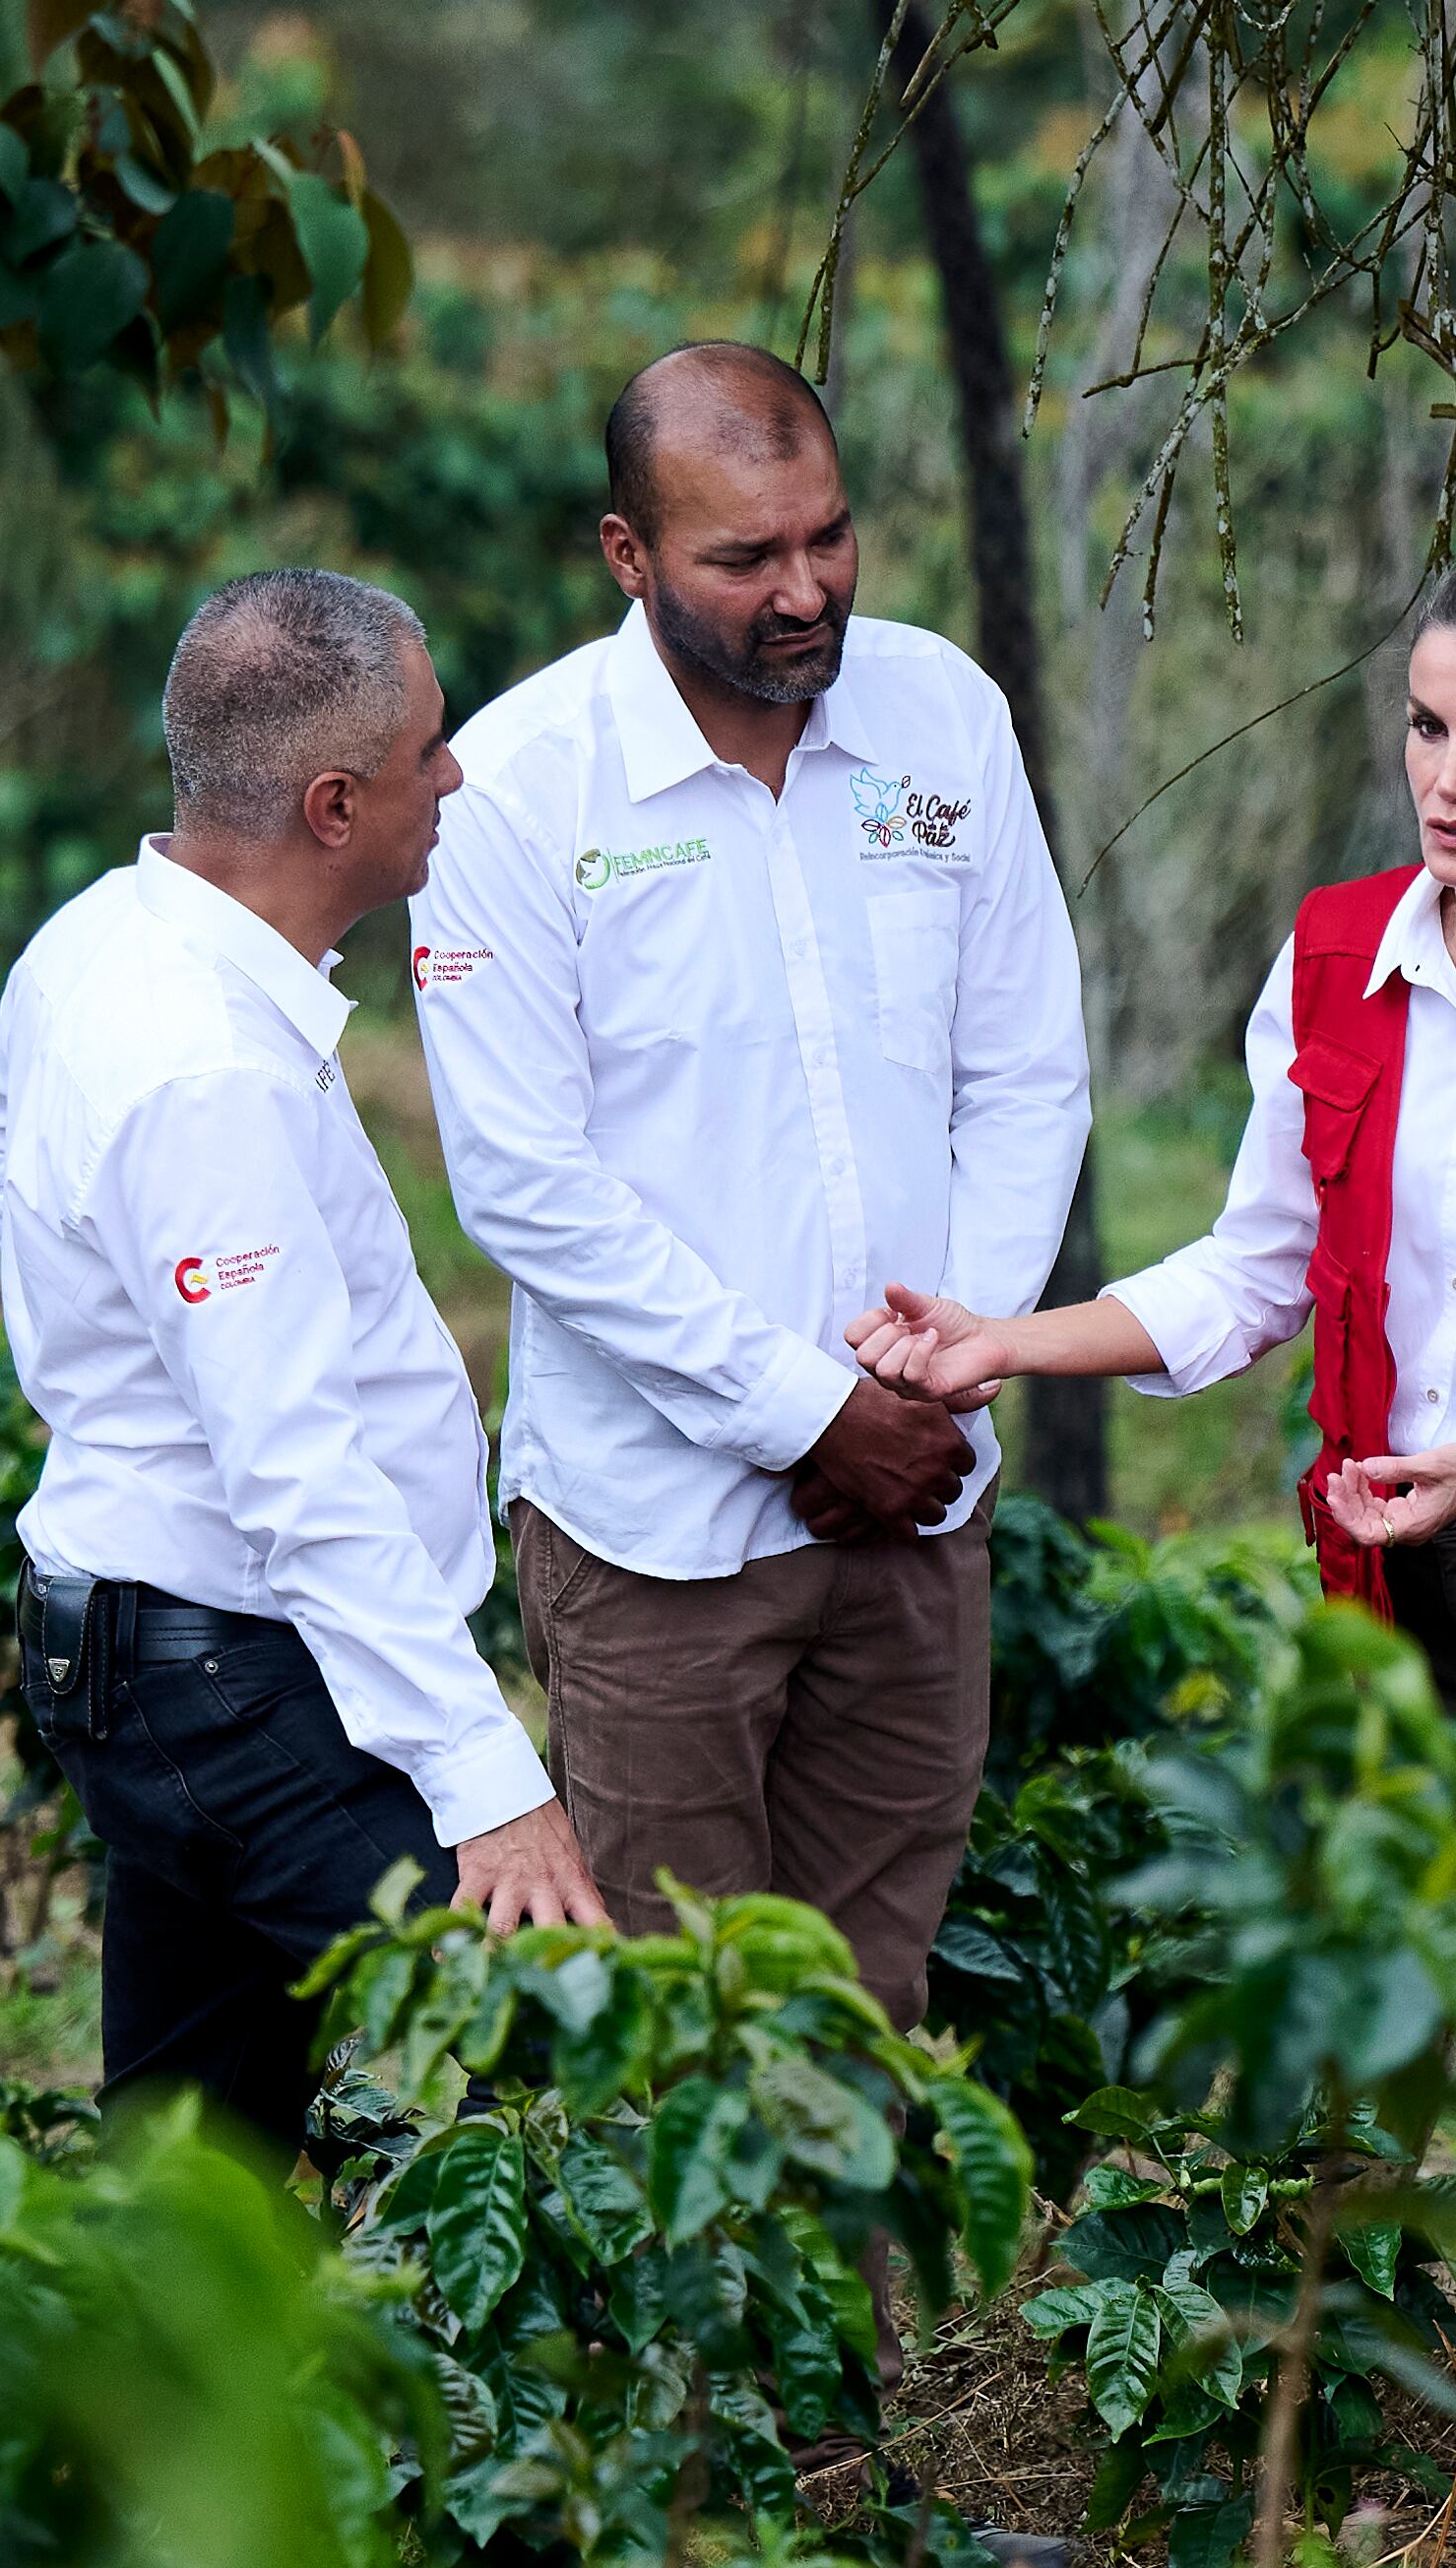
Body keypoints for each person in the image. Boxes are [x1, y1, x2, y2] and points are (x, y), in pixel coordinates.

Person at [845, 544, 1456, 2544]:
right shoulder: (1335, 962)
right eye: (1424, 727)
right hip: (1428, 1580)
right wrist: (1004, 1337)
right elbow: (1253, 1268)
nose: (1448, 777)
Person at [405, 344, 1091, 2042]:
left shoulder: (945, 715)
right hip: (655, 1529)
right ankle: (687, 2330)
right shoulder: (514, 788)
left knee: (866, 2002)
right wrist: (803, 1412)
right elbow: (525, 1185)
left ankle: (845, 2327)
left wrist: (950, 1364)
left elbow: (1026, 1076)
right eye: (744, 560)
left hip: (922, 1489)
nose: (805, 593)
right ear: (628, 556)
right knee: (676, 2026)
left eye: (831, 539)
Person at [0, 569, 610, 2164]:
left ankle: (142, 2404)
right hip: (228, 1677)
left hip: (165, 1646)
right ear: (334, 806)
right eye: (427, 755)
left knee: (195, 2143)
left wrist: (106, 1349)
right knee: (560, 2053)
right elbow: (300, 1478)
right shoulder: (201, 1071)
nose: (453, 780)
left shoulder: (97, 938)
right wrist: (490, 1787)